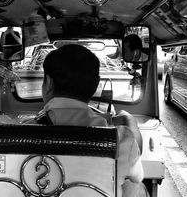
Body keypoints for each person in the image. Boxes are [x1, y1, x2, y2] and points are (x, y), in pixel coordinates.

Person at [24, 44, 148, 196]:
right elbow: (137, 176)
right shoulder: (120, 140)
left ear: (48, 83)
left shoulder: (22, 133)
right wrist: (131, 123)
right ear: (96, 84)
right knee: (136, 188)